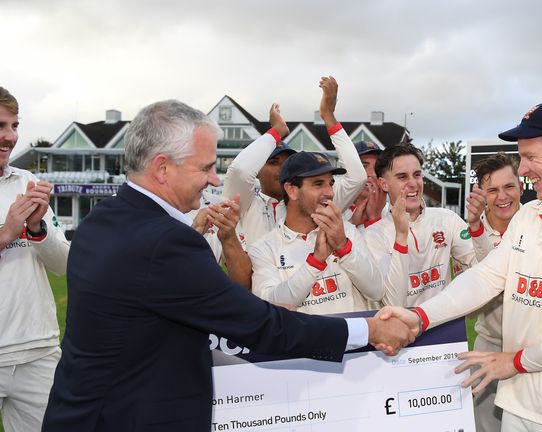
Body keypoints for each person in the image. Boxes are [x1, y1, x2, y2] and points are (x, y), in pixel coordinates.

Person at [41, 99, 413, 432]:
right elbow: (261, 325)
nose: (213, 179)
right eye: (204, 168)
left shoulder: (101, 221)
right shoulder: (164, 241)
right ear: (162, 168)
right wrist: (367, 332)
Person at [380, 101, 542, 431]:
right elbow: (486, 276)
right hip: (518, 405)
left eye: (531, 157)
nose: (521, 170)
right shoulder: (529, 216)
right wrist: (421, 316)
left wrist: (514, 361)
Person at [223, 77, 365, 271]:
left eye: (287, 162)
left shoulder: (314, 202)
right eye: (273, 162)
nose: (282, 169)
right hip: (266, 296)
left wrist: (328, 116)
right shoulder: (248, 204)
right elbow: (240, 171)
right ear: (257, 171)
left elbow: (357, 177)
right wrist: (277, 132)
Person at [0, 87, 69, 431]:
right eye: (0, 126)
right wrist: (6, 232)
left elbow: (64, 266)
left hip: (38, 350)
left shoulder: (27, 183)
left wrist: (37, 229)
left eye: (14, 126)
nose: (9, 137)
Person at [248, 151, 384, 313]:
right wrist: (315, 262)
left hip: (351, 338)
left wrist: (343, 248)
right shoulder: (264, 248)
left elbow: (376, 291)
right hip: (303, 339)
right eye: (318, 184)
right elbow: (270, 307)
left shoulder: (346, 231)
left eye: (331, 183)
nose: (329, 193)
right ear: (292, 190)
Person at [364, 143, 476, 307]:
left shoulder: (446, 218)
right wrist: (401, 236)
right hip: (402, 330)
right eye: (402, 177)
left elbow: (481, 265)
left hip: (445, 328)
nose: (413, 183)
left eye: (417, 175)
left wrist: (478, 228)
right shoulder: (373, 235)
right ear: (383, 184)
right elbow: (393, 303)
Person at [464, 152, 522, 432]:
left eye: (509, 186)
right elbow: (488, 285)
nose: (502, 197)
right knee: (485, 426)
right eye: (493, 190)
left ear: (521, 185)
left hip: (530, 347)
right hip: (488, 345)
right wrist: (476, 228)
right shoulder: (467, 233)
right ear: (482, 194)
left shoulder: (540, 223)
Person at [345, 140, 388, 227]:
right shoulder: (336, 209)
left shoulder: (392, 212)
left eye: (376, 168)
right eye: (363, 166)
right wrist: (352, 223)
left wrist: (375, 218)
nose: (372, 174)